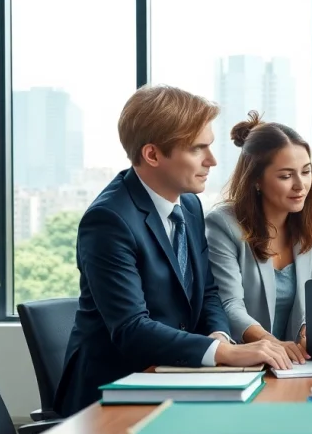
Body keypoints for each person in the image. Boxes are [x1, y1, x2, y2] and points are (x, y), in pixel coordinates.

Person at [54, 86, 292, 417]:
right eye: (199, 149)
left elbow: (208, 291)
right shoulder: (109, 220)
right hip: (110, 397)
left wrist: (218, 336)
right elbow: (132, 329)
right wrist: (224, 353)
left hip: (174, 379)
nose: (212, 160)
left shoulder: (190, 204)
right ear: (153, 155)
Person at [206, 111, 312, 363]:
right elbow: (229, 304)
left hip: (298, 362)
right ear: (256, 180)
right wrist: (271, 344)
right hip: (244, 360)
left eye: (306, 172)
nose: (300, 185)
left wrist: (306, 331)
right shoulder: (223, 224)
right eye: (285, 176)